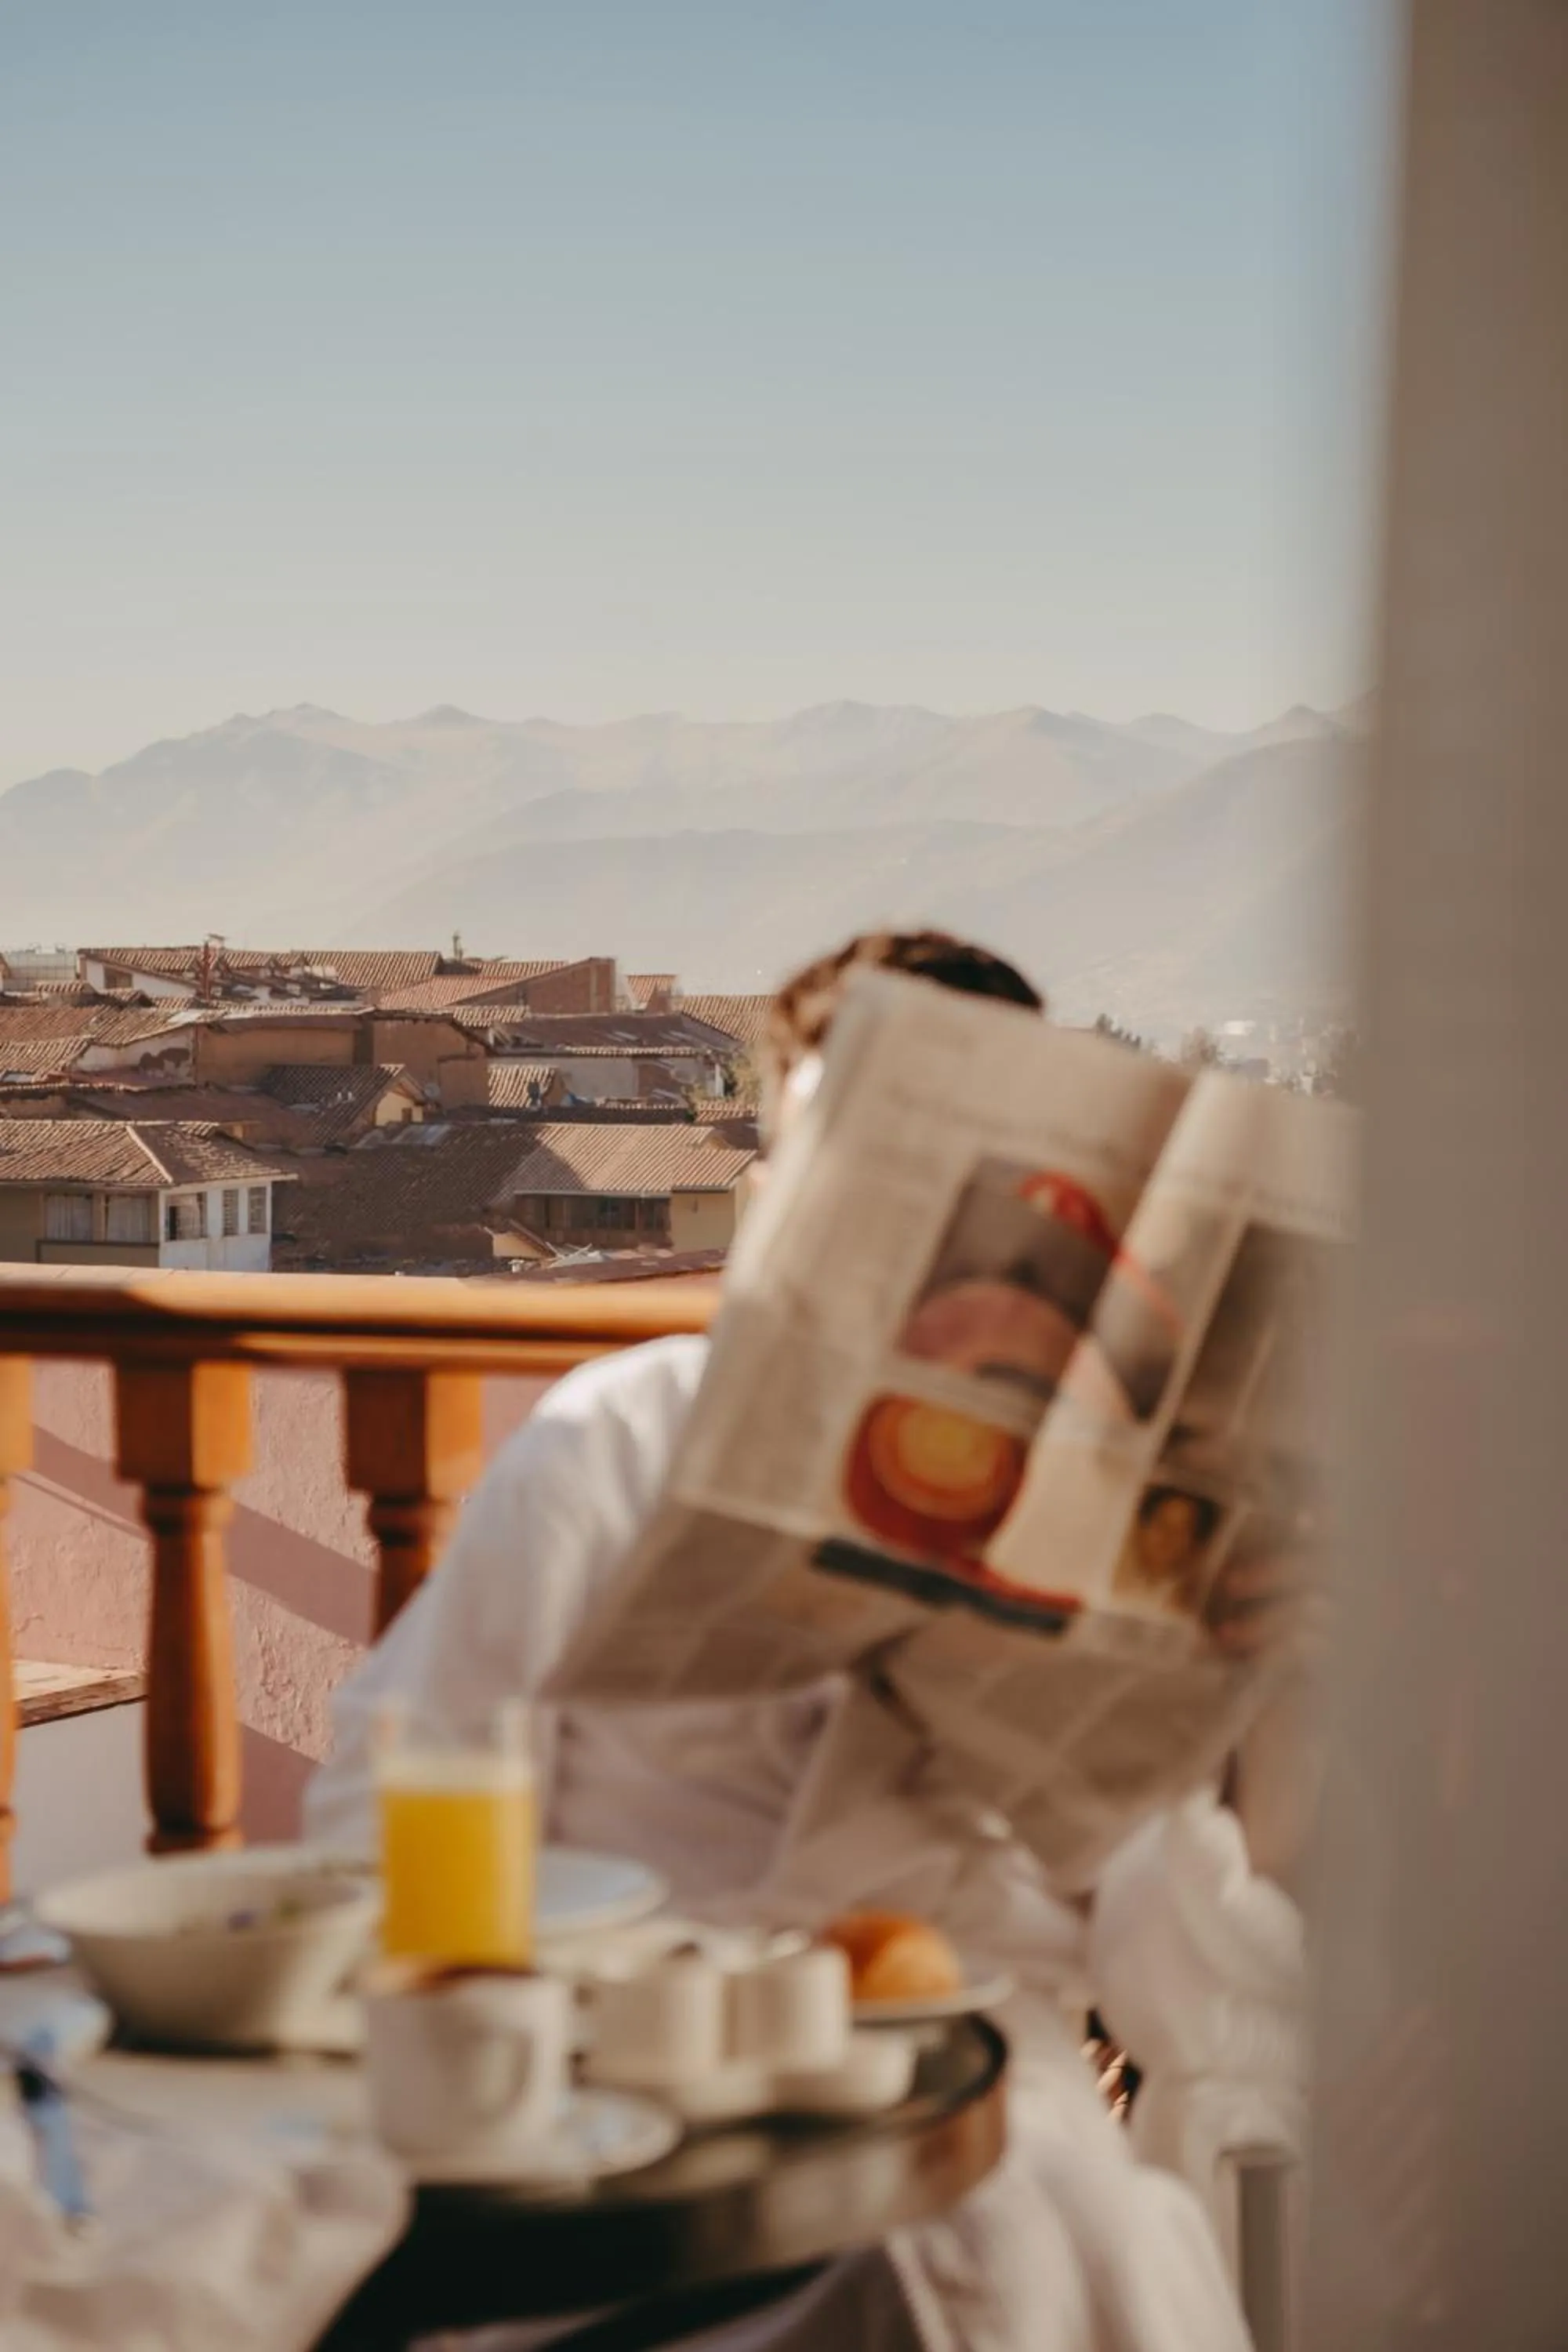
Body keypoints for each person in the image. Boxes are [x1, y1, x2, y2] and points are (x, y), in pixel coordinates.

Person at [307, 930, 1312, 2352]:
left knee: (1031, 2244)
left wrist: (1263, 1699)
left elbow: (1199, 2004)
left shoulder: (1111, 1511)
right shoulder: (618, 1435)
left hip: (979, 2116)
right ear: (774, 1188)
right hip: (647, 2089)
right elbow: (385, 1811)